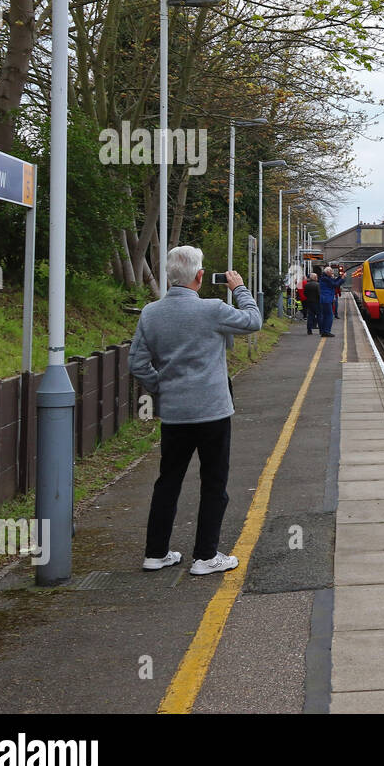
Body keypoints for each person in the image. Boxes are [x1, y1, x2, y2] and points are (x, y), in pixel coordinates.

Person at [130, 246, 262, 575]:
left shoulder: (150, 313)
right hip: (213, 411)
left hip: (175, 414)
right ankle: (205, 556)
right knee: (213, 483)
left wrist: (161, 387)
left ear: (169, 277)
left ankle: (156, 553)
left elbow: (137, 364)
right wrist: (239, 288)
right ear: (200, 276)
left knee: (168, 481)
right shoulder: (213, 310)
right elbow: (253, 321)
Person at [318, 264, 345, 337]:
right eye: (331, 271)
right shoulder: (326, 279)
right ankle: (326, 331)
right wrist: (342, 279)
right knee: (329, 315)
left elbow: (334, 281)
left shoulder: (325, 278)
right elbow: (335, 285)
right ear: (328, 272)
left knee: (325, 315)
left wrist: (340, 277)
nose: (332, 273)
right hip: (326, 299)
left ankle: (323, 331)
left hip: (325, 299)